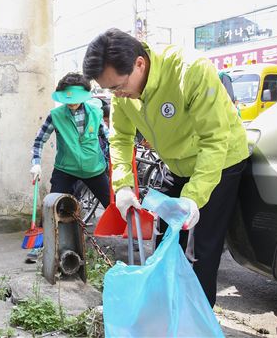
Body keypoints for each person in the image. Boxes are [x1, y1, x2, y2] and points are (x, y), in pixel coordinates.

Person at [83, 28, 249, 307]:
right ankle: (163, 311)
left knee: (201, 250)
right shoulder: (124, 92)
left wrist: (194, 198)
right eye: (109, 89)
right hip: (176, 162)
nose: (116, 95)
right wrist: (122, 185)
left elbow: (215, 140)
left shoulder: (191, 71)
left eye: (117, 86)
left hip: (221, 161)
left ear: (139, 64)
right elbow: (121, 137)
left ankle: (195, 323)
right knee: (163, 240)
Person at [30, 73, 110, 209]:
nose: (72, 101)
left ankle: (120, 230)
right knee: (51, 208)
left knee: (111, 206)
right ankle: (49, 230)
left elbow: (109, 138)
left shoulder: (96, 112)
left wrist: (112, 160)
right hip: (66, 169)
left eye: (76, 97)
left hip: (94, 169)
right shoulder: (55, 115)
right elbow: (39, 141)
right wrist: (36, 163)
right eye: (68, 97)